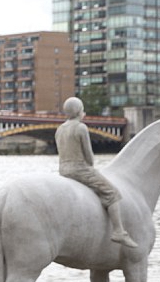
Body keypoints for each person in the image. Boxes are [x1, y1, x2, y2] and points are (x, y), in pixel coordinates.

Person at [55, 96, 137, 248]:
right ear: (79, 111)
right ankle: (118, 231)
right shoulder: (81, 127)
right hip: (79, 169)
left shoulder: (60, 129)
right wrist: (90, 164)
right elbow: (89, 158)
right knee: (112, 192)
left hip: (63, 170)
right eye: (82, 110)